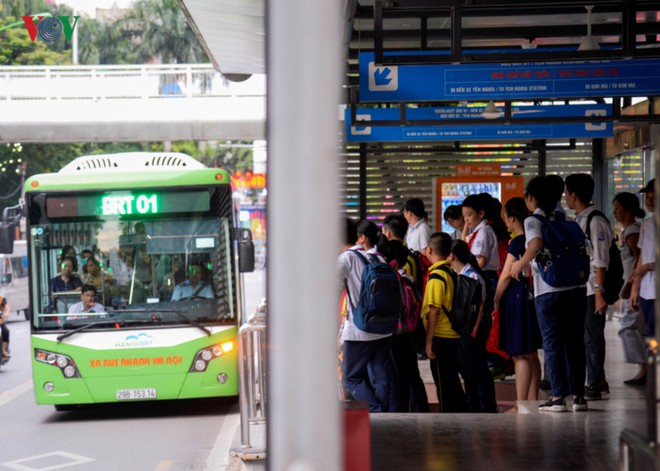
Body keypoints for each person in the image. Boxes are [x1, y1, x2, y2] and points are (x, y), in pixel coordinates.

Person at [510, 176, 588, 412]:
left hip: (550, 291)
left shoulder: (534, 220)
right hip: (576, 288)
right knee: (575, 343)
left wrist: (520, 263)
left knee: (553, 343)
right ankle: (579, 396)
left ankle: (557, 398)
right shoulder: (564, 218)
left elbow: (534, 244)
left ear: (531, 198)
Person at [338, 220, 398, 412]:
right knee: (381, 376)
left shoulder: (346, 259)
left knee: (351, 378)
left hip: (359, 332)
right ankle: (382, 415)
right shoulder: (378, 258)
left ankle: (375, 411)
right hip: (384, 329)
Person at [565, 173, 614, 401]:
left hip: (592, 290)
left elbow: (601, 261)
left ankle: (593, 382)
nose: (565, 196)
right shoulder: (579, 220)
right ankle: (598, 379)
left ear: (574, 194)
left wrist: (599, 293)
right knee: (586, 337)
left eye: (567, 192)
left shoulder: (596, 221)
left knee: (592, 338)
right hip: (582, 288)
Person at [494, 197, 542, 403]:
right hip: (531, 295)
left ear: (512, 218)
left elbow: (505, 275)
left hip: (516, 298)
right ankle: (531, 400)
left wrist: (496, 300)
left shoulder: (517, 242)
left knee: (519, 354)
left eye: (506, 217)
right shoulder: (534, 239)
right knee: (531, 353)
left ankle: (521, 402)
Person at [449, 239, 497, 413]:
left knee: (477, 369)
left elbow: (481, 306)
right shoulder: (460, 274)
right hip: (465, 330)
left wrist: (474, 331)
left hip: (473, 331)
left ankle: (484, 405)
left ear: (451, 255)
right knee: (469, 370)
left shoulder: (472, 275)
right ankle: (474, 404)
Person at [422, 231, 467, 412]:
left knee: (443, 383)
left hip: (441, 336)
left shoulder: (436, 277)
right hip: (453, 333)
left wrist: (428, 341)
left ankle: (448, 420)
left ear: (430, 250)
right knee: (451, 380)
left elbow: (434, 311)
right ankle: (460, 413)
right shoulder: (450, 271)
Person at [383, 239, 430, 412]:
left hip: (396, 334)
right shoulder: (408, 280)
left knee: (397, 375)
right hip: (410, 332)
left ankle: (399, 411)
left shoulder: (393, 281)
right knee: (412, 373)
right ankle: (420, 408)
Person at [612, 192, 646, 385]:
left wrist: (632, 284)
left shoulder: (633, 232)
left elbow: (639, 259)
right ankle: (645, 368)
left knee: (626, 327)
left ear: (627, 209)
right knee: (641, 329)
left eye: (618, 208)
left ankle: (645, 364)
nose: (615, 212)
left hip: (637, 288)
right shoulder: (629, 231)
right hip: (635, 286)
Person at [631, 179, 656, 342]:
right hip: (647, 290)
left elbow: (646, 264)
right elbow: (642, 256)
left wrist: (648, 266)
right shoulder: (647, 224)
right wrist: (635, 287)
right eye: (647, 197)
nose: (649, 201)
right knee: (650, 334)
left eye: (654, 197)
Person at [0, 296, 11, 362]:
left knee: (6, 331)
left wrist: (6, 314)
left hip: (1, 322)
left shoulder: (2, 299)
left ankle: (3, 350)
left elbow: (7, 308)